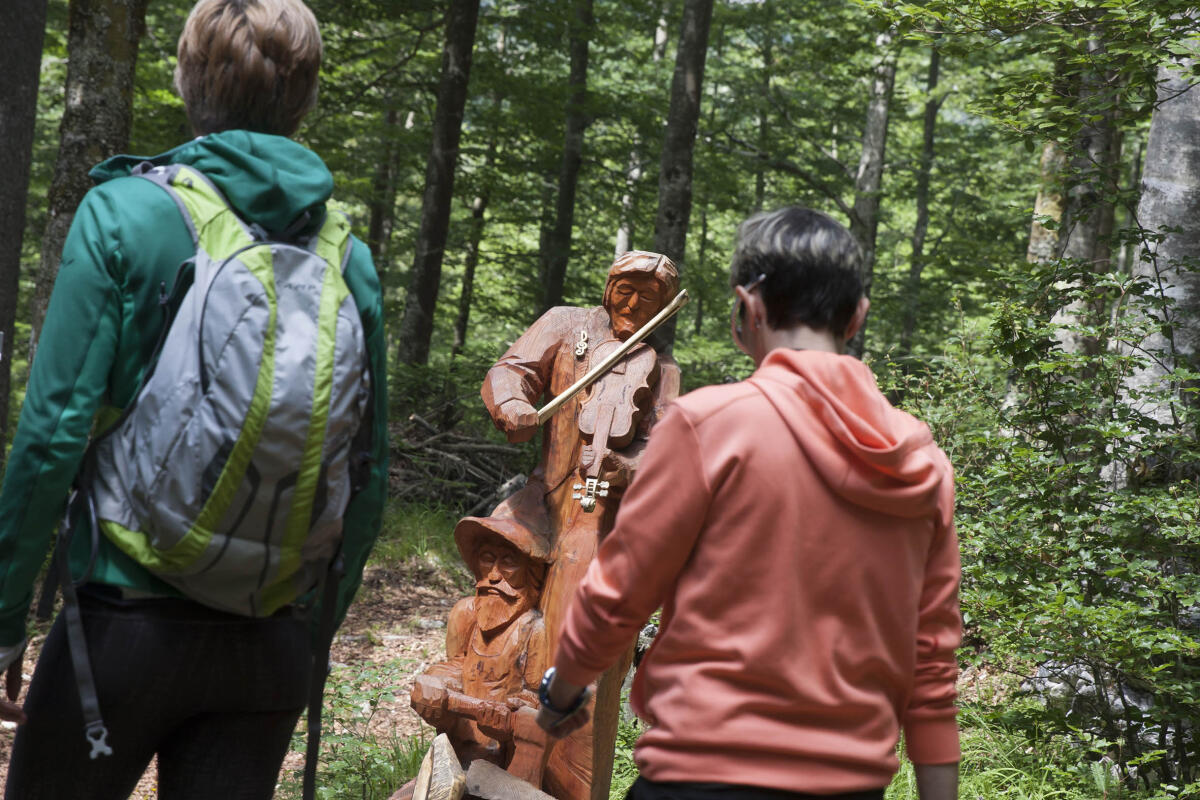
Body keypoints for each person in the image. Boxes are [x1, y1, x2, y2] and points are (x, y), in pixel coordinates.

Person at [0, 1, 388, 798]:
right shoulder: (348, 258)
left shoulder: (130, 214)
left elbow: (51, 436)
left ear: (186, 80)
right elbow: (371, 471)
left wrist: (5, 614)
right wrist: (313, 637)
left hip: (122, 626)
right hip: (270, 644)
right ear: (305, 98)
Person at [536, 207, 961, 800]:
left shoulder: (708, 426)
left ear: (747, 308)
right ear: (857, 315)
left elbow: (620, 593)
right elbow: (932, 663)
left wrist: (563, 691)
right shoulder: (923, 463)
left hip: (699, 778)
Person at [467, 249, 682, 797]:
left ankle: (562, 779)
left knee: (579, 624)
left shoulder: (665, 371)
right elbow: (509, 371)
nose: (633, 304)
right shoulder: (566, 323)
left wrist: (625, 467)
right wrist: (512, 403)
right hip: (542, 494)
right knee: (489, 580)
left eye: (649, 297)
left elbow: (664, 453)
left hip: (597, 512)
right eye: (625, 290)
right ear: (609, 287)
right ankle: (477, 738)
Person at [409, 500, 551, 783]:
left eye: (509, 562)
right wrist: (436, 684)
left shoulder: (534, 630)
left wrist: (508, 718)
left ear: (531, 569)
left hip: (505, 766)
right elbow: (455, 666)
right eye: (487, 558)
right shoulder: (466, 613)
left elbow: (536, 703)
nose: (495, 575)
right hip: (454, 756)